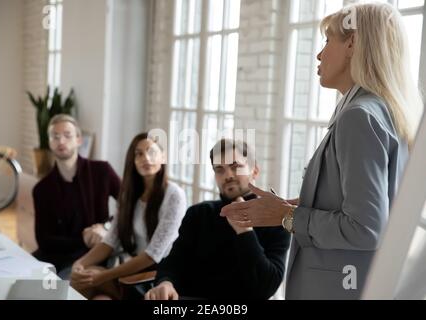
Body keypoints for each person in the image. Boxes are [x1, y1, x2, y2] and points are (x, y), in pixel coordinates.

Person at [221, 3, 423, 300]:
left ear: (352, 44)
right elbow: (372, 204)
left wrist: (286, 215)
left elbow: (365, 228)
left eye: (327, 41)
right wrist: (304, 203)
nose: (318, 54)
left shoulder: (359, 117)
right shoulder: (382, 110)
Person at [145, 139, 290, 300]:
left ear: (254, 171)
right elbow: (173, 263)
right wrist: (166, 282)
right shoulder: (199, 214)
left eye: (236, 167)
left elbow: (265, 287)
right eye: (220, 169)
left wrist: (244, 231)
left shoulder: (276, 222)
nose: (228, 176)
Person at [70, 133, 186, 300]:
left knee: (87, 280)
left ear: (163, 157)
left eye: (151, 152)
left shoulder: (174, 195)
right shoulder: (129, 194)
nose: (146, 157)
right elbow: (110, 241)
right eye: (139, 153)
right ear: (133, 160)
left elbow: (152, 255)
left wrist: (103, 276)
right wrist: (79, 264)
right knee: (94, 291)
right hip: (130, 270)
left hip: (157, 278)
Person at [33, 114, 121, 278]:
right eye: (55, 137)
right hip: (54, 257)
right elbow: (43, 240)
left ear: (79, 139)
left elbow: (130, 205)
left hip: (94, 255)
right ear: (49, 142)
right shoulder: (41, 189)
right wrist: (82, 238)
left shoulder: (102, 171)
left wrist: (106, 227)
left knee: (64, 288)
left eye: (67, 135)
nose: (61, 141)